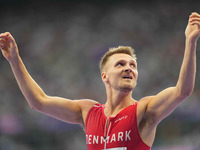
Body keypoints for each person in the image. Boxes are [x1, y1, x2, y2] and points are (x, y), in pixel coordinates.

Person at [0, 12, 200, 150]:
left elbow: (182, 91)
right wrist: (14, 60)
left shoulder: (144, 110)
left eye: (133, 65)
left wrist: (190, 43)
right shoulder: (87, 112)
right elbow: (39, 102)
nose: (129, 68)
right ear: (104, 76)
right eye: (120, 64)